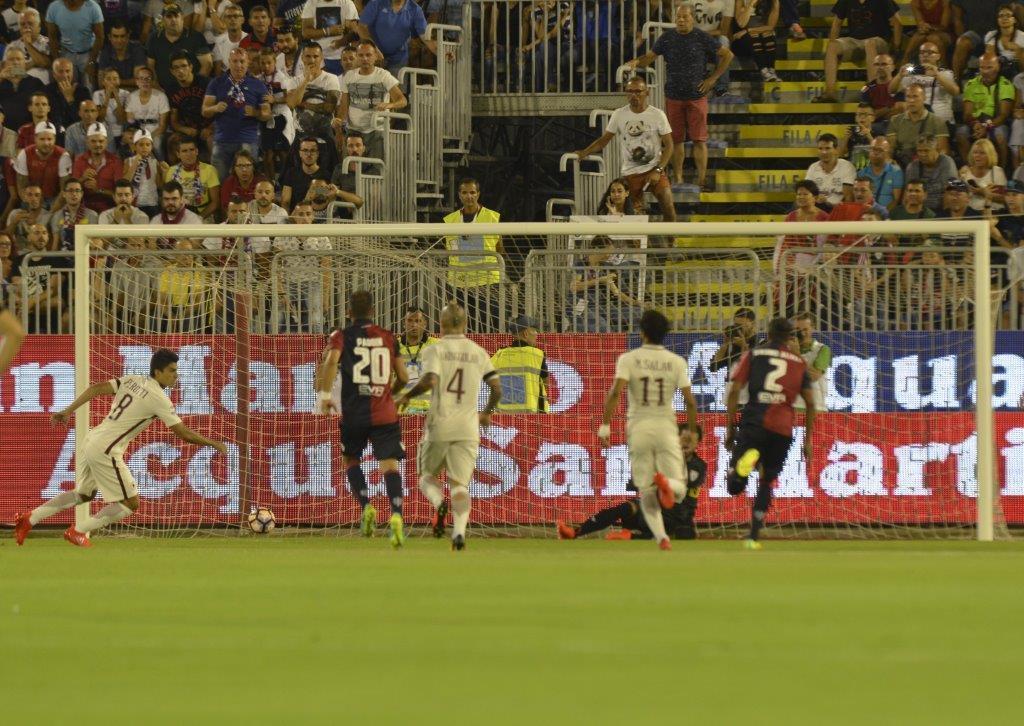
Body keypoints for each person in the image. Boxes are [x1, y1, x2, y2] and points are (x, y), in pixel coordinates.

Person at [14, 349, 228, 548]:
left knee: (85, 493)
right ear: (158, 371)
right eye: (172, 370)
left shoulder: (132, 379)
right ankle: (78, 531)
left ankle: (30, 518)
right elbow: (183, 433)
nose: (176, 375)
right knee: (130, 503)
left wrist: (69, 409)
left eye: (177, 370)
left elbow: (95, 388)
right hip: (106, 449)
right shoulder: (159, 399)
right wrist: (214, 443)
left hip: (92, 439)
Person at [395, 302, 503, 550]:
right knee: (460, 485)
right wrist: (486, 413)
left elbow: (431, 379)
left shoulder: (435, 350)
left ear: (440, 325)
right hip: (468, 427)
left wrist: (408, 396)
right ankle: (459, 533)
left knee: (427, 478)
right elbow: (497, 388)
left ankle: (438, 503)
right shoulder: (478, 351)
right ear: (464, 324)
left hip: (439, 424)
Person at [315, 290, 410, 547]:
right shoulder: (389, 337)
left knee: (351, 459)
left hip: (354, 414)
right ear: (372, 311)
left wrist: (325, 394)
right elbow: (403, 376)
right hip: (385, 414)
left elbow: (331, 361)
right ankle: (397, 515)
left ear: (349, 311)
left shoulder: (341, 336)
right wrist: (391, 394)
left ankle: (367, 506)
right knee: (390, 466)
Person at [598, 309, 699, 551]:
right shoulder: (676, 362)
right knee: (680, 489)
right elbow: (690, 402)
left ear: (641, 332)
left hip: (639, 427)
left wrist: (605, 425)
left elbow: (615, 393)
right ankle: (666, 484)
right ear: (665, 334)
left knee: (646, 492)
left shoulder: (629, 359)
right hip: (666, 426)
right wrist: (692, 430)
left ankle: (662, 537)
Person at [725, 316, 815, 548]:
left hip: (755, 422)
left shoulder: (754, 354)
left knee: (734, 486)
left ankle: (745, 465)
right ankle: (753, 536)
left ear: (769, 332)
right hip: (783, 429)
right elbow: (811, 403)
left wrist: (730, 427)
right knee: (767, 482)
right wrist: (808, 440)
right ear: (789, 337)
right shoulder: (798, 361)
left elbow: (735, 390)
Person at [625, 3, 732, 191]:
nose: (681, 20)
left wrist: (713, 79)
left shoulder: (702, 37)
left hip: (696, 96)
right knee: (676, 141)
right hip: (673, 96)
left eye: (685, 17)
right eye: (678, 17)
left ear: (693, 18)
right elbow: (650, 57)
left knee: (699, 140)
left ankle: (701, 180)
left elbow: (728, 55)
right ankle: (679, 179)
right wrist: (637, 61)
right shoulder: (667, 38)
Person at [558, 424, 707, 541]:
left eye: (691, 440)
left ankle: (631, 536)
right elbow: (634, 484)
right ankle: (575, 532)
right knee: (626, 507)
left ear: (697, 443)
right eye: (684, 439)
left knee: (677, 532)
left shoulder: (698, 466)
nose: (686, 443)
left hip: (677, 517)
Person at [571, 76, 675, 221]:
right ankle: (638, 243)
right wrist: (584, 152)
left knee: (668, 203)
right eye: (630, 91)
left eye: (638, 91)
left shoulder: (657, 115)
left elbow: (670, 146)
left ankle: (671, 242)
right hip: (630, 173)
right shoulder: (619, 114)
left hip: (653, 168)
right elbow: (603, 140)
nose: (634, 95)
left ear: (647, 92)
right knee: (633, 215)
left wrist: (658, 170)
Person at [442, 178, 504, 332]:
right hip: (459, 282)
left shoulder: (492, 217)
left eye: (472, 192)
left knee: (489, 325)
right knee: (460, 325)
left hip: (487, 281)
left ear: (478, 194)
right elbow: (448, 250)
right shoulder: (450, 221)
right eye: (465, 192)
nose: (469, 196)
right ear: (459, 195)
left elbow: (500, 248)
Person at [202, 46, 271, 182]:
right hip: (222, 140)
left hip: (248, 140)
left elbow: (267, 114)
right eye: (235, 61)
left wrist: (256, 112)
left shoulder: (258, 85)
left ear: (248, 62)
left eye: (242, 61)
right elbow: (204, 111)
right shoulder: (216, 83)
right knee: (219, 182)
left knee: (249, 181)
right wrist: (215, 108)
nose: (238, 65)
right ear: (229, 62)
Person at [814, 0, 901, 103]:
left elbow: (897, 23)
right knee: (833, 46)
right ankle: (830, 92)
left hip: (879, 41)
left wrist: (896, 48)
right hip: (856, 41)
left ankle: (874, 92)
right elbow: (836, 24)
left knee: (870, 43)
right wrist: (832, 50)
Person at [335, 39, 406, 163]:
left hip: (377, 131)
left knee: (376, 169)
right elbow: (344, 106)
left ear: (375, 57)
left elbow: (402, 100)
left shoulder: (384, 75)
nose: (365, 59)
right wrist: (339, 127)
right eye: (361, 55)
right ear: (357, 57)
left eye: (368, 55)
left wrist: (390, 104)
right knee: (350, 169)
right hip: (353, 131)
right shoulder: (349, 76)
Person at [358, 0, 447, 77]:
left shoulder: (415, 10)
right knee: (373, 92)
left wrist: (443, 53)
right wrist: (374, 49)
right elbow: (361, 27)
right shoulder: (376, 3)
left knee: (397, 93)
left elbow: (426, 38)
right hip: (373, 57)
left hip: (398, 59)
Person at [958, 53, 1014, 166]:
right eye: (982, 67)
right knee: (961, 133)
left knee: (1000, 135)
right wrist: (975, 124)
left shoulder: (1005, 85)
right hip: (976, 121)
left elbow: (1004, 115)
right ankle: (970, 168)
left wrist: (986, 127)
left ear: (998, 67)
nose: (985, 71)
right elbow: (967, 113)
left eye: (989, 67)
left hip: (995, 122)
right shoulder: (971, 84)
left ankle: (1000, 169)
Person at [889, 40, 959, 127]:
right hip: (916, 122)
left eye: (930, 53)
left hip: (941, 122)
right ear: (919, 56)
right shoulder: (911, 74)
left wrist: (937, 75)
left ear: (938, 56)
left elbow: (955, 92)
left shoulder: (945, 73)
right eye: (922, 53)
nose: (925, 55)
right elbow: (891, 90)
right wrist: (899, 75)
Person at [147, 4, 213, 92]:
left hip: (192, 91)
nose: (173, 20)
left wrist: (194, 87)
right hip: (162, 91)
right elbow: (150, 66)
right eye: (169, 16)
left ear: (182, 18)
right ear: (163, 20)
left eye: (176, 16)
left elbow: (207, 65)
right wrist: (156, 86)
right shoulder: (154, 38)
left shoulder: (196, 37)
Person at [491, 314, 549, 412]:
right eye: (534, 330)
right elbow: (546, 383)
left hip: (503, 419)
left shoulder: (500, 354)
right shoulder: (537, 354)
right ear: (526, 333)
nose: (537, 334)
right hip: (532, 417)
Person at [285, 42, 340, 142]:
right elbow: (292, 103)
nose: (312, 60)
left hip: (325, 135)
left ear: (321, 58)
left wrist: (305, 104)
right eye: (308, 56)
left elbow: (329, 108)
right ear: (302, 57)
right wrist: (306, 80)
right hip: (300, 136)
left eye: (315, 56)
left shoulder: (331, 79)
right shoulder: (293, 81)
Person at [886, 83, 950, 167]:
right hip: (902, 164)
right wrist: (889, 161)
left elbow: (943, 150)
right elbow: (890, 148)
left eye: (915, 96)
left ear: (924, 98)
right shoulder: (895, 120)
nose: (911, 100)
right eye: (908, 97)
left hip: (928, 164)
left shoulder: (937, 121)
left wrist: (931, 163)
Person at [44, 0, 105, 84]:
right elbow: (52, 36)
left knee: (88, 88)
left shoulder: (93, 7)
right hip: (66, 52)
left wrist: (92, 61)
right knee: (64, 86)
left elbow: (100, 37)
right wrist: (56, 59)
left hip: (88, 54)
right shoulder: (54, 7)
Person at [14, 121, 72, 208]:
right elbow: (22, 186)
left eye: (49, 139)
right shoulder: (24, 154)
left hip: (55, 199)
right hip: (31, 198)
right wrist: (33, 206)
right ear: (35, 138)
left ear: (54, 139)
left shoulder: (63, 156)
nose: (46, 143)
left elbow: (64, 190)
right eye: (42, 139)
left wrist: (50, 214)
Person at [396, 305, 439, 414]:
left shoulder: (436, 346)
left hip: (429, 410)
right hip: (402, 410)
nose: (413, 325)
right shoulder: (394, 346)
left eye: (418, 321)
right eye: (409, 320)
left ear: (425, 324)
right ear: (404, 323)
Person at [164, 137, 220, 219]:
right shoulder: (171, 171)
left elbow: (215, 202)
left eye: (191, 150)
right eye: (184, 151)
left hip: (203, 216)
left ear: (196, 151)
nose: (189, 154)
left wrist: (198, 218)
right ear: (178, 154)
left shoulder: (209, 170)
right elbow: (167, 200)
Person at [73, 122, 123, 212]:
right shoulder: (79, 161)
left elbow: (120, 194)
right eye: (93, 141)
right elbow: (71, 189)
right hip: (84, 210)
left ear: (106, 142)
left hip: (109, 210)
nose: (97, 145)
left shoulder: (116, 162)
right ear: (87, 142)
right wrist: (82, 179)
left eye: (101, 141)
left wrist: (98, 190)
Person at [951, 0, 1007, 80]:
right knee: (962, 42)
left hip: (997, 31)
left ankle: (993, 82)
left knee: (992, 46)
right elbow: (957, 20)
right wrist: (962, 35)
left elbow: (1007, 10)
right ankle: (956, 81)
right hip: (975, 32)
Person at [301, 0, 359, 74]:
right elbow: (305, 33)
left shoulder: (347, 3)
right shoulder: (311, 3)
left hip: (341, 58)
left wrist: (340, 42)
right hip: (316, 59)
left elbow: (355, 33)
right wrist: (327, 31)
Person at [905, 133, 959, 211]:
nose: (922, 154)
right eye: (919, 151)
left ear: (936, 149)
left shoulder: (947, 162)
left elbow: (951, 191)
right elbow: (907, 195)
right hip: (919, 210)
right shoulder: (913, 166)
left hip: (940, 210)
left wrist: (944, 216)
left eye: (926, 150)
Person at [731, 0, 781, 83]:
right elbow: (741, 24)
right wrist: (751, 4)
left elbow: (770, 27)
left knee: (768, 35)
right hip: (741, 43)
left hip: (760, 38)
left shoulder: (773, 2)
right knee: (755, 36)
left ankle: (770, 71)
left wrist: (748, 30)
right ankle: (765, 72)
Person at [125, 66, 170, 159]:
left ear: (152, 81)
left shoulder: (161, 96)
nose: (145, 81)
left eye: (148, 78)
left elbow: (162, 126)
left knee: (156, 143)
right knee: (127, 141)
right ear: (137, 81)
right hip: (137, 131)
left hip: (156, 131)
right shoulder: (131, 97)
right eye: (141, 79)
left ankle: (162, 166)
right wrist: (138, 137)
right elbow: (130, 122)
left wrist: (148, 138)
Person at [791, 312, 830, 413]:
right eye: (798, 330)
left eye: (805, 329)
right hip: (791, 406)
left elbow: (814, 377)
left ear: (812, 328)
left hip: (816, 407)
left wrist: (797, 355)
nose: (802, 333)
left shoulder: (822, 349)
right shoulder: (787, 350)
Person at [279, 136, 332, 210]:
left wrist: (315, 190)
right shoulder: (291, 173)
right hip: (295, 215)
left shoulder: (326, 175)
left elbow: (327, 195)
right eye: (305, 150)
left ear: (317, 153)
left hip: (317, 215)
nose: (309, 154)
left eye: (312, 150)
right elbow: (285, 201)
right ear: (300, 153)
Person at [151, 181, 204, 249]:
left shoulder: (194, 220)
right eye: (166, 199)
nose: (170, 202)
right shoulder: (156, 220)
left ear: (182, 199)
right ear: (162, 201)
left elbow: (192, 250)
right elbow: (151, 248)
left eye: (174, 198)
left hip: (186, 259)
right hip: (159, 259)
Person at [97, 19, 147, 91]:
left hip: (135, 94)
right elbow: (101, 83)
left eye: (122, 36)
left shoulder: (137, 50)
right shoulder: (105, 52)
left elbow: (140, 81)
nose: (119, 40)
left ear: (128, 36)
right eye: (115, 36)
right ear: (109, 37)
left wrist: (117, 82)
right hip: (112, 94)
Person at [959, 137, 1007, 211]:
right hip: (971, 214)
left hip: (994, 213)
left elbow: (1003, 198)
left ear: (989, 155)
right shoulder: (965, 172)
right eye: (975, 152)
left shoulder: (996, 171)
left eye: (982, 153)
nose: (977, 156)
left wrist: (982, 192)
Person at [858, 54, 902, 135]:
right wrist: (890, 108)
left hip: (898, 125)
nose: (880, 67)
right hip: (875, 127)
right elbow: (867, 115)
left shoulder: (901, 86)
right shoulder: (867, 89)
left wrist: (879, 113)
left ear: (892, 67)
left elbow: (902, 109)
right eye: (877, 64)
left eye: (884, 64)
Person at [122, 128, 161, 216]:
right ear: (135, 146)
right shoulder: (129, 161)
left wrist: (163, 172)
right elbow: (124, 183)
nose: (145, 147)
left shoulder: (155, 162)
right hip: (135, 203)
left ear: (151, 147)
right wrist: (134, 165)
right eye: (141, 145)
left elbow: (159, 185)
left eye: (148, 144)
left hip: (152, 203)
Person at [710, 306, 757, 373]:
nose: (739, 328)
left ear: (753, 324)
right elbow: (713, 368)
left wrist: (743, 346)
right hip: (732, 382)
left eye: (742, 325)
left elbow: (756, 366)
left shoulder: (762, 342)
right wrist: (725, 345)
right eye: (736, 325)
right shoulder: (734, 344)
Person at [861, 136, 903, 210]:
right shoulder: (862, 173)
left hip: (887, 216)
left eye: (880, 150)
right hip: (866, 215)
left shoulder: (896, 172)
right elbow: (859, 199)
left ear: (887, 153)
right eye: (873, 149)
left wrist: (883, 214)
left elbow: (896, 200)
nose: (875, 153)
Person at [93, 68, 130, 153]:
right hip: (104, 133)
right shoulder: (97, 94)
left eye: (115, 78)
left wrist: (116, 96)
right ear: (103, 82)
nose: (112, 82)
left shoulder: (126, 94)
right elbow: (100, 118)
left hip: (121, 132)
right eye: (108, 79)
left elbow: (121, 120)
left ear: (119, 81)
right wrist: (107, 97)